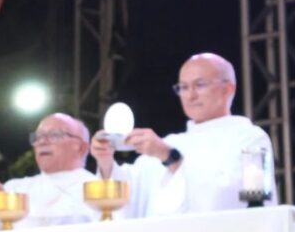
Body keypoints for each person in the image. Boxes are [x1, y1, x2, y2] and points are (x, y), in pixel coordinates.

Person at [91, 52, 278, 217]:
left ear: (228, 89)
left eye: (200, 85)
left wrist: (172, 160)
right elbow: (122, 202)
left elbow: (256, 202)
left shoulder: (253, 139)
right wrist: (106, 163)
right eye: (183, 87)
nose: (190, 95)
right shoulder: (170, 143)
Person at [0, 112, 100, 232]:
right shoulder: (15, 189)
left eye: (55, 135)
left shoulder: (100, 188)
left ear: (82, 147)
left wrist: (16, 211)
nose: (42, 141)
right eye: (38, 136)